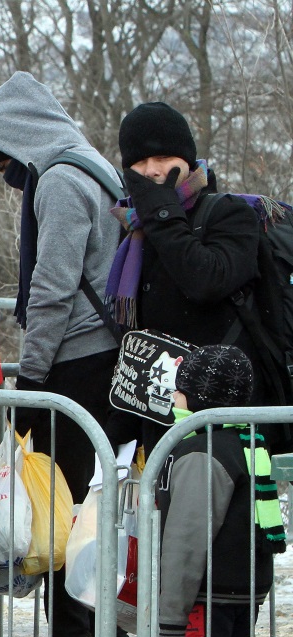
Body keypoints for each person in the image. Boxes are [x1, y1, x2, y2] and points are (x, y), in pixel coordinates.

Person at [0, 71, 131, 637]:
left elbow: (53, 290)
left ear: (19, 139)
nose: (9, 175)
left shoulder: (62, 182)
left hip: (76, 371)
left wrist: (32, 378)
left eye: (5, 160)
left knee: (62, 523)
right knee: (97, 522)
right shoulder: (93, 167)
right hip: (107, 367)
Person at [110, 101, 264, 446]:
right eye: (138, 162)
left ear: (187, 160)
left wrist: (162, 213)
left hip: (219, 417)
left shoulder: (230, 213)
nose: (150, 171)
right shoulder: (134, 227)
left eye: (163, 158)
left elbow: (206, 280)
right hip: (157, 410)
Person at [155, 345, 283, 637]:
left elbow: (187, 538)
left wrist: (170, 612)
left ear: (198, 396)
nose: (173, 397)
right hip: (246, 580)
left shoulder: (200, 451)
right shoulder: (248, 441)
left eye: (179, 390)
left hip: (211, 585)